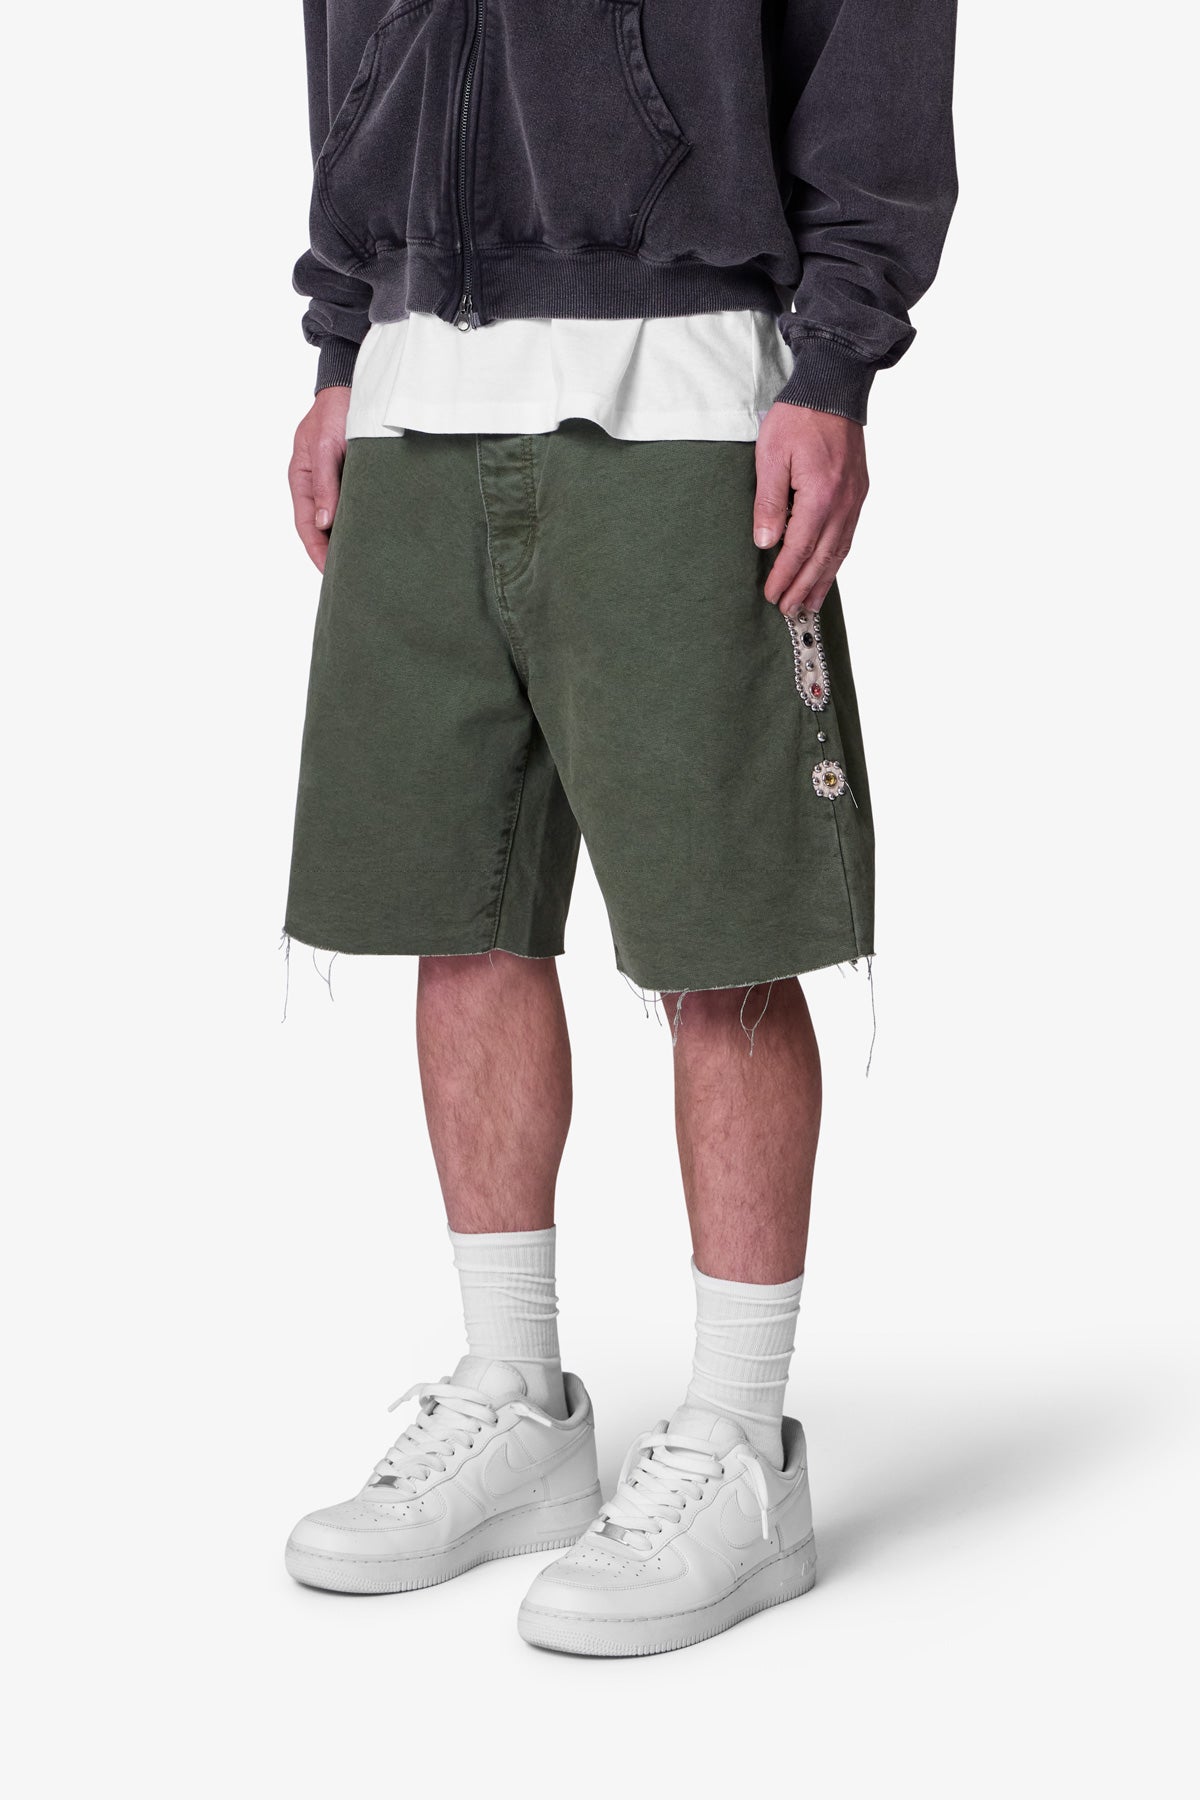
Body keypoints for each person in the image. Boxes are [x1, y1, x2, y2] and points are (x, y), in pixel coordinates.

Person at [281, 0, 957, 1656]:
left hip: (688, 378)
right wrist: (342, 349)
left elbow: (875, 36)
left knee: (722, 940)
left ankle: (740, 1447)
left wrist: (838, 362)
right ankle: (514, 1398)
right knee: (457, 915)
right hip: (414, 378)